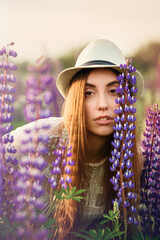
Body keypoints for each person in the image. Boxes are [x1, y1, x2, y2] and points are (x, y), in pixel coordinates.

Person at [10, 39, 144, 239]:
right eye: (89, 93)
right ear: (76, 99)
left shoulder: (135, 159)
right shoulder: (34, 143)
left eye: (113, 91)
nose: (102, 104)